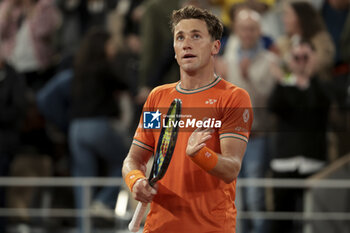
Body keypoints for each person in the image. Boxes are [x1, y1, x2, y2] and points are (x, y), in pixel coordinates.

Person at [122, 5, 253, 233]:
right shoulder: (157, 98)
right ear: (174, 50)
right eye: (180, 37)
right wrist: (136, 181)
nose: (186, 43)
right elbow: (134, 159)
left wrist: (200, 154)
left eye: (196, 36)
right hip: (158, 227)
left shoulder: (233, 98)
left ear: (215, 46)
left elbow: (232, 167)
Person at [68, 28, 130, 232]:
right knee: (127, 162)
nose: (113, 48)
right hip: (97, 125)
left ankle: (83, 227)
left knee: (83, 180)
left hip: (76, 128)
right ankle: (102, 201)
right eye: (111, 44)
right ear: (102, 46)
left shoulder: (78, 69)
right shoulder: (104, 67)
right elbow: (125, 84)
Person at [222, 8, 278, 233]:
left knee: (255, 196)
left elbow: (270, 100)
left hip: (257, 135)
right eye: (243, 28)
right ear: (236, 30)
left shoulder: (270, 61)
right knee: (235, 198)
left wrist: (248, 77)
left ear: (259, 31)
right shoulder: (227, 59)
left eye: (252, 29)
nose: (247, 33)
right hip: (231, 138)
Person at [268, 41, 331, 233]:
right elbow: (274, 106)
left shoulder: (322, 86)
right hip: (285, 162)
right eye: (297, 57)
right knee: (281, 220)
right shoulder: (284, 85)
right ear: (291, 61)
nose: (301, 62)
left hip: (313, 163)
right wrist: (285, 81)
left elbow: (317, 106)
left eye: (306, 57)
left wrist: (311, 76)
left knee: (312, 221)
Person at [277, 1, 335, 81]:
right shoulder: (282, 43)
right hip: (291, 90)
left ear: (301, 16)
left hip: (319, 87)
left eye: (288, 15)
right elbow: (284, 74)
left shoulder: (321, 39)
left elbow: (323, 64)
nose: (284, 20)